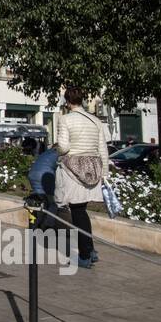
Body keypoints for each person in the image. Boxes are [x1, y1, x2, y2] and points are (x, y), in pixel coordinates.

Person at [54, 87, 110, 269]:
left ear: (67, 101)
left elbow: (63, 146)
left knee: (77, 212)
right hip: (92, 168)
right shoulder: (95, 120)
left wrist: (62, 149)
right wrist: (104, 173)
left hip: (74, 169)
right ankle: (90, 250)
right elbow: (103, 149)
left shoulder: (65, 119)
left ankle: (86, 254)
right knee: (81, 211)